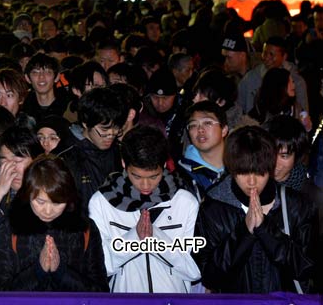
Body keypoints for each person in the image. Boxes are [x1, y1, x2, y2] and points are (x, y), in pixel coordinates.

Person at [195, 126, 315, 293]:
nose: (251, 182)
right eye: (243, 172)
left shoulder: (296, 205)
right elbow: (210, 277)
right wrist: (245, 231)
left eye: (259, 172)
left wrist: (265, 229)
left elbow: (306, 268)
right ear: (232, 169)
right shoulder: (214, 207)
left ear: (270, 168)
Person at [89, 125, 201, 293]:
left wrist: (155, 240)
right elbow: (100, 268)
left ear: (163, 165)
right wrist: (134, 239)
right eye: (137, 176)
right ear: (123, 164)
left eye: (154, 176)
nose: (146, 185)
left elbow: (194, 271)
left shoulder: (185, 202)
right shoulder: (102, 202)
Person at [0, 156, 107, 291]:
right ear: (28, 195)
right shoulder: (11, 228)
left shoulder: (85, 229)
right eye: (40, 202)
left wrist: (61, 271)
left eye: (57, 203)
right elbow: (0, 292)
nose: (48, 211)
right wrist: (38, 270)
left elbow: (100, 292)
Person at [176, 101, 228, 199]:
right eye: (193, 125)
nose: (200, 129)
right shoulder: (181, 174)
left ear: (224, 130)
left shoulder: (240, 167)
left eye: (207, 123)